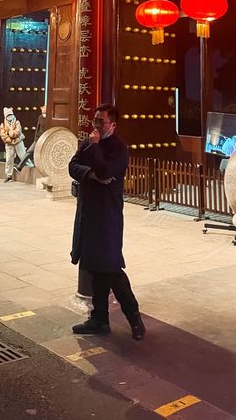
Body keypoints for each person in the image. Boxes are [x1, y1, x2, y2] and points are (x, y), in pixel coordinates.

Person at [69, 103, 145, 340]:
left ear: (113, 124)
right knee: (93, 267)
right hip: (88, 213)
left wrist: (94, 153)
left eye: (101, 122)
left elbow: (105, 170)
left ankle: (134, 317)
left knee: (111, 269)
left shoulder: (118, 149)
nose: (96, 126)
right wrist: (89, 173)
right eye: (95, 121)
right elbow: (73, 166)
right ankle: (99, 319)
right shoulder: (89, 141)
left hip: (107, 216)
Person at [15, 105, 46, 172]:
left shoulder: (49, 118)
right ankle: (19, 167)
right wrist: (35, 138)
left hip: (45, 138)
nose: (43, 110)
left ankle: (41, 166)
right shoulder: (40, 117)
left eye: (44, 109)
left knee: (43, 153)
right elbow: (38, 128)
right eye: (42, 109)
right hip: (38, 138)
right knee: (29, 151)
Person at [0, 107, 26, 182]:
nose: (10, 117)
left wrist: (10, 133)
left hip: (18, 141)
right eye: (8, 115)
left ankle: (29, 168)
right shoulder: (3, 124)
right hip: (9, 143)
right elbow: (3, 135)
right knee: (9, 159)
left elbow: (17, 132)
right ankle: (8, 175)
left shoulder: (17, 122)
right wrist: (9, 139)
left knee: (23, 156)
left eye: (11, 115)